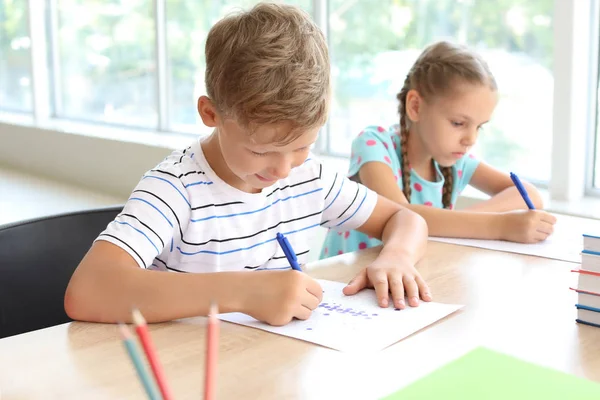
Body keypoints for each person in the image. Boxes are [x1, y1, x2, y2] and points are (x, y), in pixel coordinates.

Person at [64, 3, 431, 327]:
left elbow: (405, 219)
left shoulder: (310, 178)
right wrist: (243, 291)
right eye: (260, 151)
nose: (283, 170)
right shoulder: (175, 189)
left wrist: (397, 257)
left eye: (303, 146)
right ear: (212, 113)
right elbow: (89, 290)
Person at [320, 41, 556, 259]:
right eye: (458, 123)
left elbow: (530, 194)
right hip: (343, 286)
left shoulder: (456, 162)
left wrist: (461, 222)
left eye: (479, 127)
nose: (471, 139)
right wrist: (499, 226)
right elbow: (402, 217)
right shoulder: (373, 145)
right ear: (415, 107)